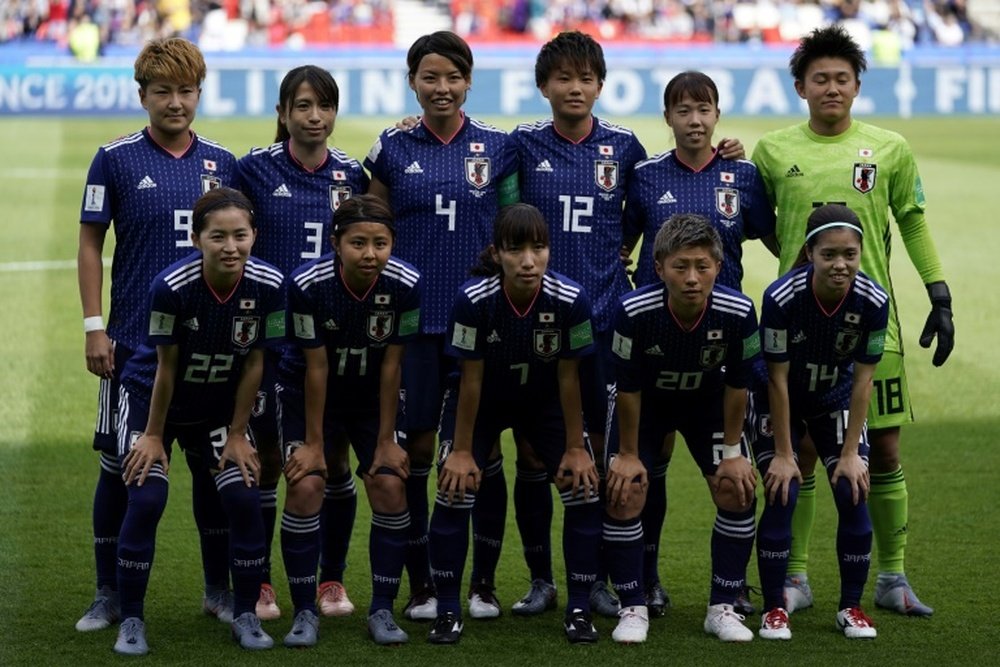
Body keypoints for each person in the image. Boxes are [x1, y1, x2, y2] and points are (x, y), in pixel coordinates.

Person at [507, 41, 751, 620]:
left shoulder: (625, 149)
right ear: (545, 85)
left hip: (608, 326)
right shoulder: (519, 144)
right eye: (563, 77)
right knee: (535, 458)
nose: (574, 87)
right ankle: (543, 579)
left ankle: (631, 577)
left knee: (625, 455)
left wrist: (726, 155)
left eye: (586, 77)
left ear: (600, 84)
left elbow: (649, 229)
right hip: (538, 323)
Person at [751, 24, 953, 617]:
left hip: (872, 326)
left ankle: (892, 578)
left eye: (842, 78)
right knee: (804, 451)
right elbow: (759, 219)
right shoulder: (772, 151)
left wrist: (937, 292)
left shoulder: (888, 147)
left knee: (882, 450)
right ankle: (797, 579)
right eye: (821, 79)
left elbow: (912, 221)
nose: (831, 88)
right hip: (801, 325)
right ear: (799, 87)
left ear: (858, 85)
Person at [76, 36, 239, 632]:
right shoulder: (114, 158)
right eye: (164, 91)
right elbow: (91, 242)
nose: (176, 102)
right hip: (132, 345)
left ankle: (219, 591)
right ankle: (108, 593)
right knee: (122, 467)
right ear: (142, 94)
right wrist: (96, 327)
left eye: (187, 90)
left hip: (209, 346)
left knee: (211, 470)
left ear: (199, 92)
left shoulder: (224, 162)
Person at [364, 30, 519, 622]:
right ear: (412, 83)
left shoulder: (498, 148)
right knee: (420, 448)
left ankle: (483, 583)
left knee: (483, 450)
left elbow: (512, 226)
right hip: (417, 323)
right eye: (430, 77)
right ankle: (425, 582)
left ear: (469, 81)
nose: (442, 88)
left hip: (484, 324)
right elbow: (371, 222)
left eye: (453, 77)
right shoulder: (394, 147)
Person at [620, 69, 775, 618]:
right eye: (683, 111)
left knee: (736, 467)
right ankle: (647, 577)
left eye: (704, 109)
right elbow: (621, 248)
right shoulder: (642, 176)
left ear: (717, 114)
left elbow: (779, 239)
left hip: (725, 342)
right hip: (656, 342)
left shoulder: (743, 174)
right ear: (667, 118)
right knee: (648, 466)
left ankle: (734, 586)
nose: (694, 120)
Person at [112, 187, 284, 655]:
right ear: (196, 238)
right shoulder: (172, 287)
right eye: (218, 236)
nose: (231, 246)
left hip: (217, 408)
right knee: (146, 500)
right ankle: (131, 620)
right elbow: (165, 370)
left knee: (244, 497)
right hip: (154, 402)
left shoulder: (270, 285)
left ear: (254, 235)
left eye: (240, 235)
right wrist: (152, 436)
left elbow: (254, 364)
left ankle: (245, 613)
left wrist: (236, 433)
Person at [426, 203, 601, 645]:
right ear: (497, 252)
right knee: (453, 487)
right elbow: (470, 380)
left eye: (538, 248)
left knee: (581, 488)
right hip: (481, 401)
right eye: (516, 249)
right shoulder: (473, 299)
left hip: (542, 403)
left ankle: (580, 608)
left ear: (549, 249)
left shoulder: (572, 299)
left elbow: (569, 376)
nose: (528, 260)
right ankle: (447, 610)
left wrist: (577, 446)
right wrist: (462, 450)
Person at [235, 64, 370, 621]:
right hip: (272, 342)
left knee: (333, 461)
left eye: (325, 106)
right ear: (284, 112)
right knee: (270, 461)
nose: (315, 117)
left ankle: (330, 581)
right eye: (303, 106)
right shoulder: (253, 171)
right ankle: (263, 584)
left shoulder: (353, 176)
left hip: (335, 344)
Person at [605, 213, 760, 643]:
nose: (692, 278)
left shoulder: (739, 310)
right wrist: (629, 454)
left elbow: (738, 385)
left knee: (737, 487)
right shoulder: (633, 311)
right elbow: (629, 389)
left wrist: (732, 453)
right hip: (647, 406)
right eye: (680, 267)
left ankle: (723, 606)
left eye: (702, 266)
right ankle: (632, 606)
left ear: (718, 265)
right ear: (658, 268)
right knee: (625, 489)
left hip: (707, 405)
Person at [276, 195, 421, 647]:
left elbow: (393, 366)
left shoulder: (407, 284)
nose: (370, 253)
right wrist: (314, 445)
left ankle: (381, 608)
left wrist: (385, 440)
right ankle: (304, 611)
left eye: (381, 243)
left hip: (371, 395)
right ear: (336, 242)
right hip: (308, 391)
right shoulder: (307, 284)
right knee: (306, 484)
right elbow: (315, 367)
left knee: (390, 482)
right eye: (358, 242)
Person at [754, 203, 888, 640]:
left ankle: (851, 607)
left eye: (849, 254)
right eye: (829, 254)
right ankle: (774, 608)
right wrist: (785, 454)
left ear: (861, 253)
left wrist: (850, 454)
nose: (840, 264)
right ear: (810, 252)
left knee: (853, 488)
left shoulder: (874, 300)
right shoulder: (780, 297)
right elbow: (775, 377)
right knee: (783, 489)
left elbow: (863, 381)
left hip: (834, 397)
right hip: (783, 397)